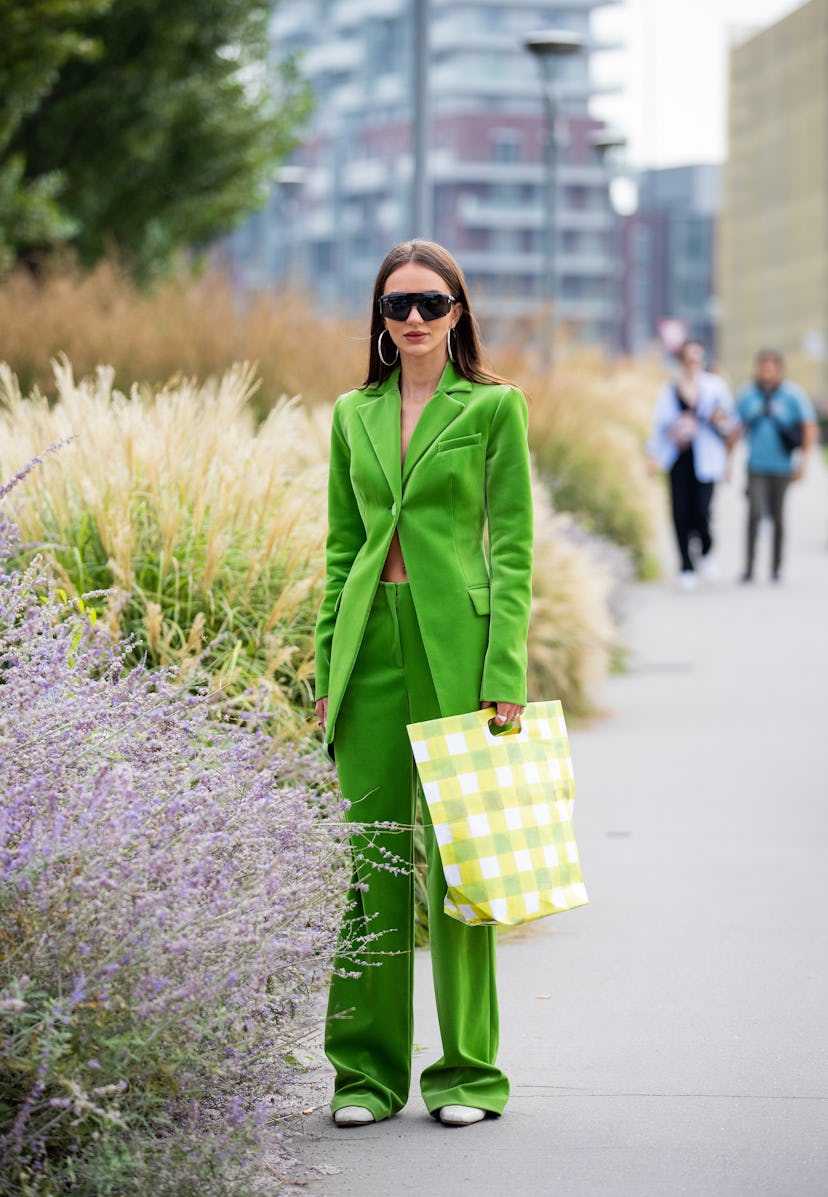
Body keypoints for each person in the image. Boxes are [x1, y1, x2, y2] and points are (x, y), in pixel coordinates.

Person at [314, 241, 533, 1129]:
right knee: (370, 865)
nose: (413, 319)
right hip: (369, 649)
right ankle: (364, 1075)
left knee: (459, 866)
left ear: (457, 313)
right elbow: (340, 551)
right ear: (379, 315)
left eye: (431, 304)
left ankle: (468, 1073)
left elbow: (512, 549)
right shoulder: (350, 414)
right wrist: (326, 665)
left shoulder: (494, 408)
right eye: (398, 304)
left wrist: (504, 671)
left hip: (458, 651)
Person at [647, 339, 733, 589]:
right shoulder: (670, 388)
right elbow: (659, 426)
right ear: (682, 359)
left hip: (707, 457)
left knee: (702, 511)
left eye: (697, 356)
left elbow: (730, 422)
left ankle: (706, 550)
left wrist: (719, 420)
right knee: (680, 513)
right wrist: (652, 458)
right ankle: (685, 565)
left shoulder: (715, 386)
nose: (692, 361)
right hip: (679, 457)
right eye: (688, 356)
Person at [733, 348, 818, 583]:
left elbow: (808, 427)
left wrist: (804, 462)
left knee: (779, 518)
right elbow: (735, 427)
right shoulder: (748, 394)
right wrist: (727, 462)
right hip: (756, 465)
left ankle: (776, 568)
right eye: (763, 367)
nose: (766, 372)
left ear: (779, 370)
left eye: (771, 368)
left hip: (782, 466)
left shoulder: (792, 395)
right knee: (754, 513)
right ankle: (749, 567)